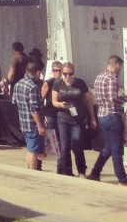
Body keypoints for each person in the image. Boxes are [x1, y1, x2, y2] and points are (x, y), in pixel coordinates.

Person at [51, 60, 96, 177]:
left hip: (78, 119)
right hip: (63, 118)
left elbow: (88, 100)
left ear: (74, 73)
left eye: (70, 74)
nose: (67, 76)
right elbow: (54, 101)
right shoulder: (58, 83)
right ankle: (67, 171)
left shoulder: (80, 83)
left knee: (76, 143)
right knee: (65, 146)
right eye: (65, 74)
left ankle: (81, 170)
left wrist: (92, 118)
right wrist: (61, 105)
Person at [88, 55, 127, 185]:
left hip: (102, 115)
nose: (120, 69)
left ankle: (95, 172)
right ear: (117, 65)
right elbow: (112, 99)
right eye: (120, 66)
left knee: (109, 147)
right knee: (116, 149)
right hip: (112, 115)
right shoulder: (112, 78)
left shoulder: (99, 77)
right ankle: (122, 178)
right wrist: (124, 98)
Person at [12, 60, 46, 170]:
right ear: (37, 73)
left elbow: (14, 101)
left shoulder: (18, 84)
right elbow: (34, 109)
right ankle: (32, 173)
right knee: (34, 152)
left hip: (23, 123)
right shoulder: (33, 87)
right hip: (32, 124)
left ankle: (28, 171)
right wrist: (40, 125)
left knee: (30, 149)